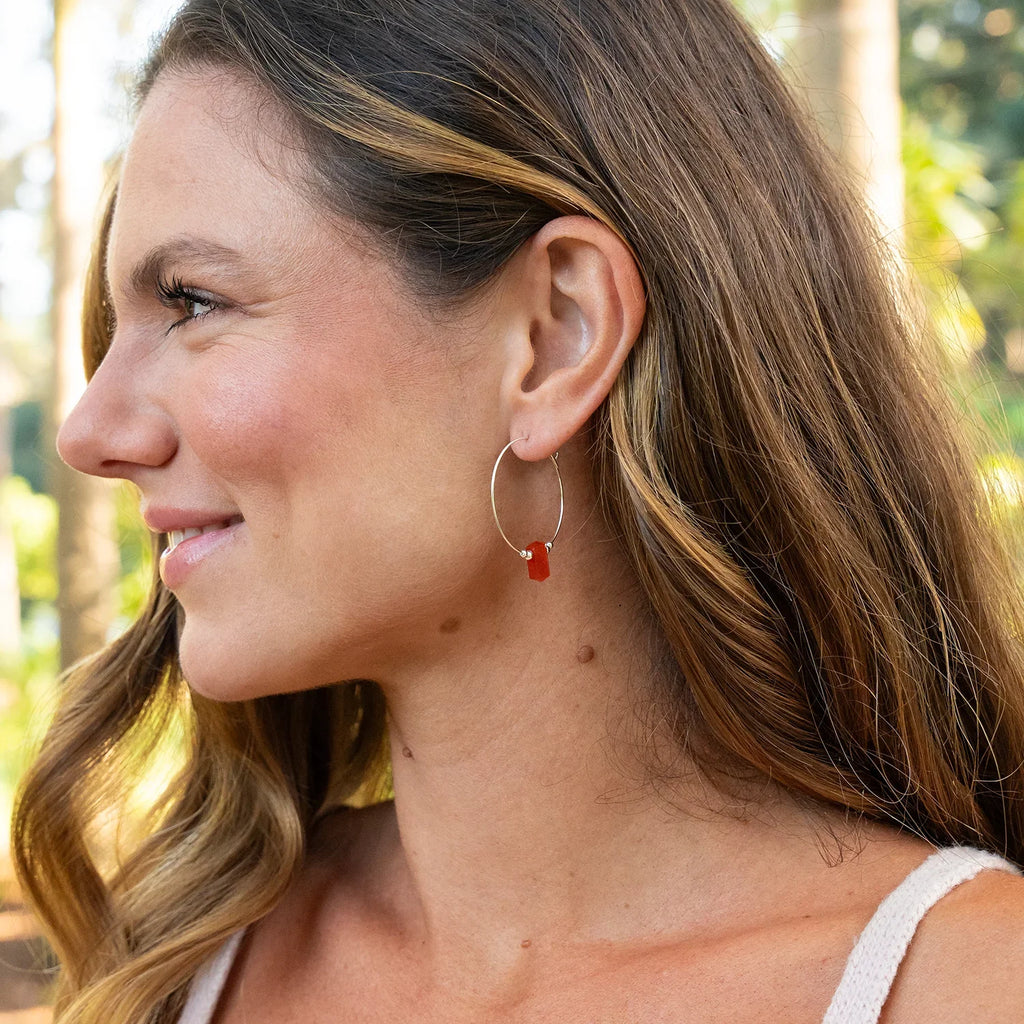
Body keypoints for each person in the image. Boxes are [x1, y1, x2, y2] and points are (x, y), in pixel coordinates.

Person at [13, 0, 1024, 1021]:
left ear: (555, 336)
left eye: (190, 301)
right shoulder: (182, 955)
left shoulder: (966, 988)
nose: (91, 429)